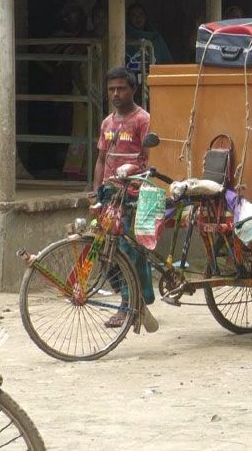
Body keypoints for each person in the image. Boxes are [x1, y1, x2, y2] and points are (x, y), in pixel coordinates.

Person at [93, 67, 158, 332]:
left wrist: (135, 174)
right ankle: (127, 296)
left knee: (131, 250)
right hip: (110, 194)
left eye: (121, 88)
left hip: (134, 195)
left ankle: (130, 303)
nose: (116, 94)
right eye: (111, 89)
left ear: (133, 89)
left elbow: (150, 160)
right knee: (103, 248)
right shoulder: (107, 123)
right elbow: (100, 159)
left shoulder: (143, 120)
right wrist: (97, 190)